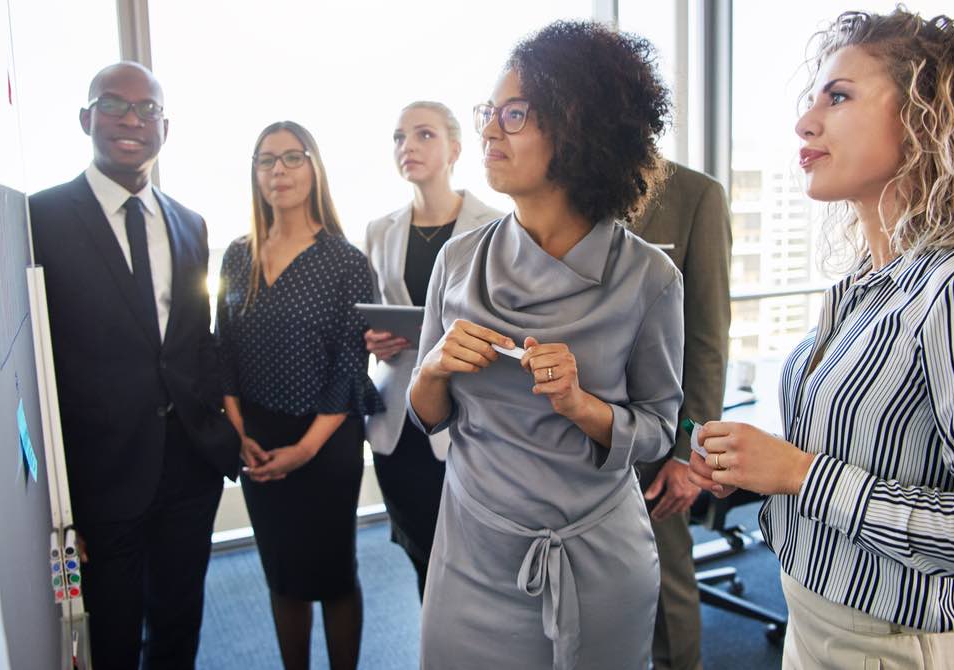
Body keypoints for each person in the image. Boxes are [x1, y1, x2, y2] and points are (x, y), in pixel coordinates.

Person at [688, 9, 954, 669]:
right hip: (814, 625)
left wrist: (801, 474)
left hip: (898, 650)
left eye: (839, 96)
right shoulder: (872, 280)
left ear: (923, 118)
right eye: (812, 100)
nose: (805, 122)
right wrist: (759, 472)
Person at [407, 21, 683, 670]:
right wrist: (434, 366)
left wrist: (582, 405)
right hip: (471, 555)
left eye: (514, 114)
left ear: (577, 129)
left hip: (596, 563)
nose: (489, 132)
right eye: (489, 113)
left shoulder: (650, 279)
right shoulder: (457, 261)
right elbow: (427, 416)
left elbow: (660, 431)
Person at [28, 62, 239, 669]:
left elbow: (195, 340)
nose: (131, 119)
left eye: (147, 110)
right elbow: (44, 369)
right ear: (85, 118)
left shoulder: (189, 224)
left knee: (178, 625)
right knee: (115, 635)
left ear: (164, 129)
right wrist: (61, 502)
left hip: (189, 466)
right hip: (104, 475)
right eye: (114, 104)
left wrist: (226, 433)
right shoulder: (40, 219)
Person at [215, 120, 383, 670]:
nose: (279, 170)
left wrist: (306, 449)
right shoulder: (238, 256)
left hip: (325, 439)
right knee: (282, 576)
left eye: (292, 157)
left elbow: (350, 367)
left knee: (334, 575)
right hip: (258, 438)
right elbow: (225, 352)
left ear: (314, 167)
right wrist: (239, 435)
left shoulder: (345, 261)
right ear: (255, 173)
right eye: (267, 160)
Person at [363, 101, 502, 598]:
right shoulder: (381, 229)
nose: (408, 147)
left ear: (455, 149)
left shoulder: (496, 225)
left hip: (470, 418)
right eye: (399, 137)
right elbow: (377, 313)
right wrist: (374, 340)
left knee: (471, 559)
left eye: (423, 135)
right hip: (399, 421)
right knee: (422, 553)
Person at [633, 162, 732, 670]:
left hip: (660, 446)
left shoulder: (696, 196)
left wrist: (689, 452)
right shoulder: (565, 188)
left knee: (666, 593)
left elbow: (708, 341)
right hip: (577, 433)